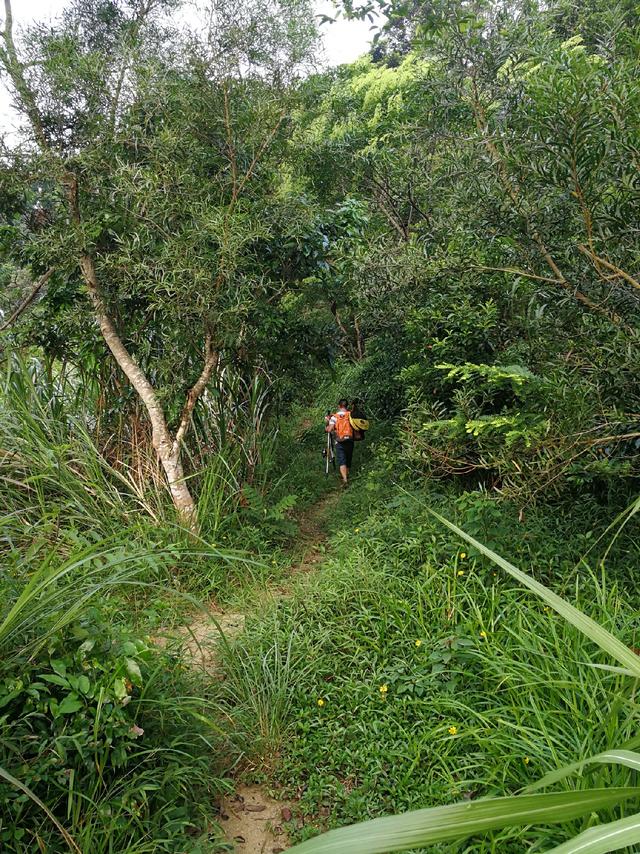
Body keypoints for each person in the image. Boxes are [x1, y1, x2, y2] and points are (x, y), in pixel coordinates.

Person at [325, 398, 354, 485]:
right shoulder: (351, 415)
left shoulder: (334, 417)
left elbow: (329, 429)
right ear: (346, 406)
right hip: (350, 439)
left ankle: (345, 479)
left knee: (342, 460)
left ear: (339, 406)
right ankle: (347, 475)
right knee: (348, 459)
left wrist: (326, 424)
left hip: (339, 441)